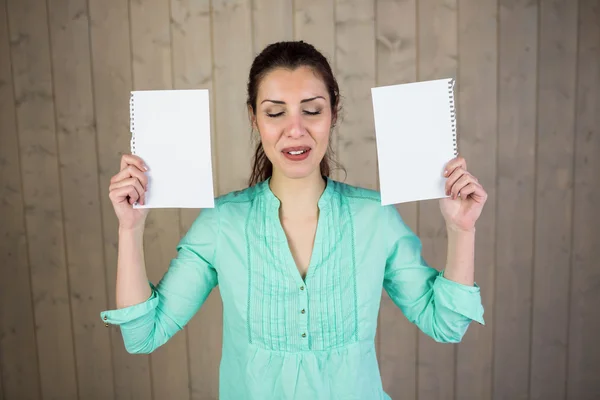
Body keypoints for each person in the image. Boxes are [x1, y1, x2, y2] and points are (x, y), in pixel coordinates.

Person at [102, 41, 487, 400]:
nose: (295, 129)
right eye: (275, 112)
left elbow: (446, 323)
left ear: (334, 112)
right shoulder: (222, 224)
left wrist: (461, 229)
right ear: (254, 118)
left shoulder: (376, 218)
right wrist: (130, 228)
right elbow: (143, 334)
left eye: (312, 109)